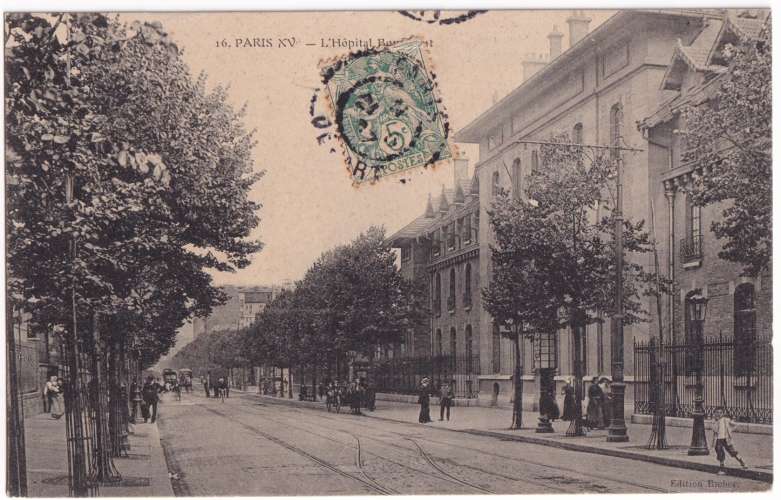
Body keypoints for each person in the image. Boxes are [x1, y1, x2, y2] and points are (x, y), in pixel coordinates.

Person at [712, 408, 748, 474]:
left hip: (726, 439)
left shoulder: (726, 420)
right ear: (715, 413)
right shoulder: (714, 421)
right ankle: (722, 468)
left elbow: (735, 425)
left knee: (732, 451)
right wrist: (716, 421)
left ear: (723, 414)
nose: (719, 414)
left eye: (720, 413)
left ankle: (742, 462)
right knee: (720, 453)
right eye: (717, 412)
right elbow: (714, 430)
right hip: (718, 439)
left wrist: (730, 430)